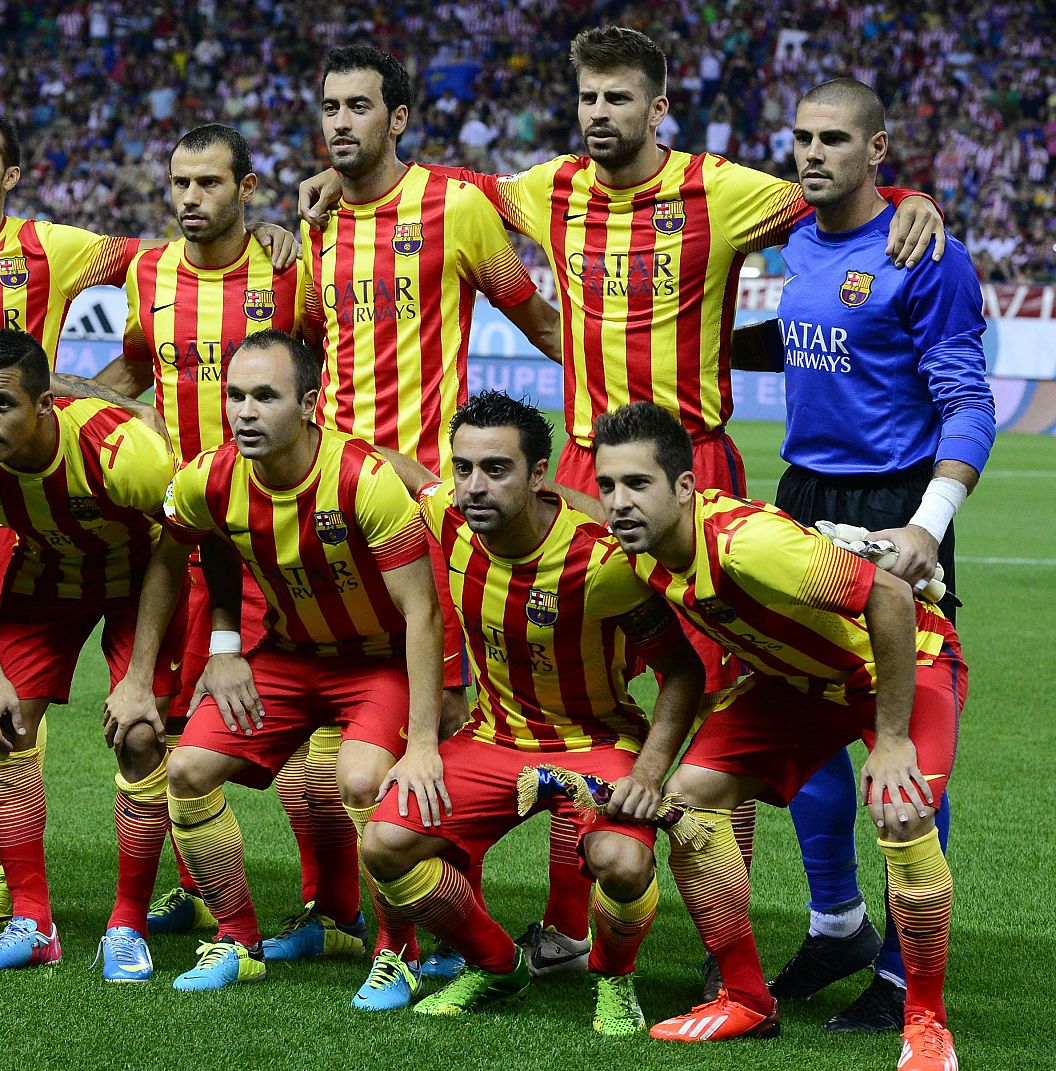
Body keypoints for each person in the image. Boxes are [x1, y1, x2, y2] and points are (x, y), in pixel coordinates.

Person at [298, 25, 945, 986]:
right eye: (588, 97)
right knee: (584, 690)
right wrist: (325, 189)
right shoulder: (546, 186)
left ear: (658, 105)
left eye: (618, 98)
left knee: (730, 690)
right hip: (589, 482)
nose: (599, 114)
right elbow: (420, 187)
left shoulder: (722, 190)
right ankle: (576, 926)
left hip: (697, 470)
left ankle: (739, 947)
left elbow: (833, 190)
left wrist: (908, 198)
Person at [0, 109, 294, 919]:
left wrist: (87, 404)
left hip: (74, 499)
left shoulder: (54, 248)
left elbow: (169, 251)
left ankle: (50, 875)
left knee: (114, 706)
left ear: (11, 174)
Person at [732, 77, 995, 1033]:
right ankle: (836, 921)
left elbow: (970, 401)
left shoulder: (927, 251)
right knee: (798, 716)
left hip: (896, 504)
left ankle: (898, 963)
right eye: (800, 136)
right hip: (801, 495)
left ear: (877, 149)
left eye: (834, 138)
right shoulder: (793, 232)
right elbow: (807, 338)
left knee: (907, 727)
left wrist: (928, 523)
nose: (812, 153)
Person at [594, 401, 964, 1071]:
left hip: (903, 660)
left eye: (637, 484)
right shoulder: (639, 552)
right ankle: (746, 996)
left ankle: (926, 1019)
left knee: (903, 807)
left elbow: (891, 598)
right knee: (691, 799)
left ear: (683, 487)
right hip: (797, 684)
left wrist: (889, 736)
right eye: (608, 485)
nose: (619, 502)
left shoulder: (748, 543)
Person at [302, 43, 562, 984]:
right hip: (329, 511)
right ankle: (355, 916)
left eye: (359, 105)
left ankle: (429, 935)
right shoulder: (315, 223)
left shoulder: (452, 208)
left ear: (399, 118)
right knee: (344, 734)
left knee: (447, 722)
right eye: (329, 105)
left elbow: (535, 319)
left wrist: (609, 401)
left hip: (428, 510)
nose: (340, 121)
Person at [105, 329, 445, 1000]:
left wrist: (427, 738)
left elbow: (423, 611)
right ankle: (238, 939)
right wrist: (157, 672)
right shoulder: (210, 476)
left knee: (360, 778)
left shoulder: (365, 481)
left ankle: (397, 949)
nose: (245, 411)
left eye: (266, 396)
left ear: (310, 403)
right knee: (187, 769)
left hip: (376, 664)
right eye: (235, 395)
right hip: (287, 658)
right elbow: (172, 563)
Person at [359, 390, 704, 1022]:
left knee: (622, 861)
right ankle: (497, 967)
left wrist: (650, 776)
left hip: (596, 741)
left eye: (496, 469)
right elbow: (397, 469)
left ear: (539, 475)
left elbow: (683, 673)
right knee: (384, 842)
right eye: (463, 468)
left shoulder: (604, 560)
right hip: (494, 739)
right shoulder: (450, 518)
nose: (474, 486)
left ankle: (614, 978)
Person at [86, 122, 333, 939]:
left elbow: (329, 370)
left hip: (268, 534)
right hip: (177, 533)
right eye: (181, 184)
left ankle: (327, 905)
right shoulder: (149, 272)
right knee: (153, 715)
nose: (192, 199)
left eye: (210, 184)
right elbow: (135, 367)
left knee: (290, 725)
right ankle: (198, 886)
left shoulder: (288, 269)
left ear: (247, 188)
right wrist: (74, 395)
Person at [0, 329, 179, 979]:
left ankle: (127, 923)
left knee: (141, 735)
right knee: (2, 729)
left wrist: (139, 676)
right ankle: (31, 921)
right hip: (47, 574)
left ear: (44, 405)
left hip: (142, 573)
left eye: (2, 404)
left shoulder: (123, 454)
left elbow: (179, 549)